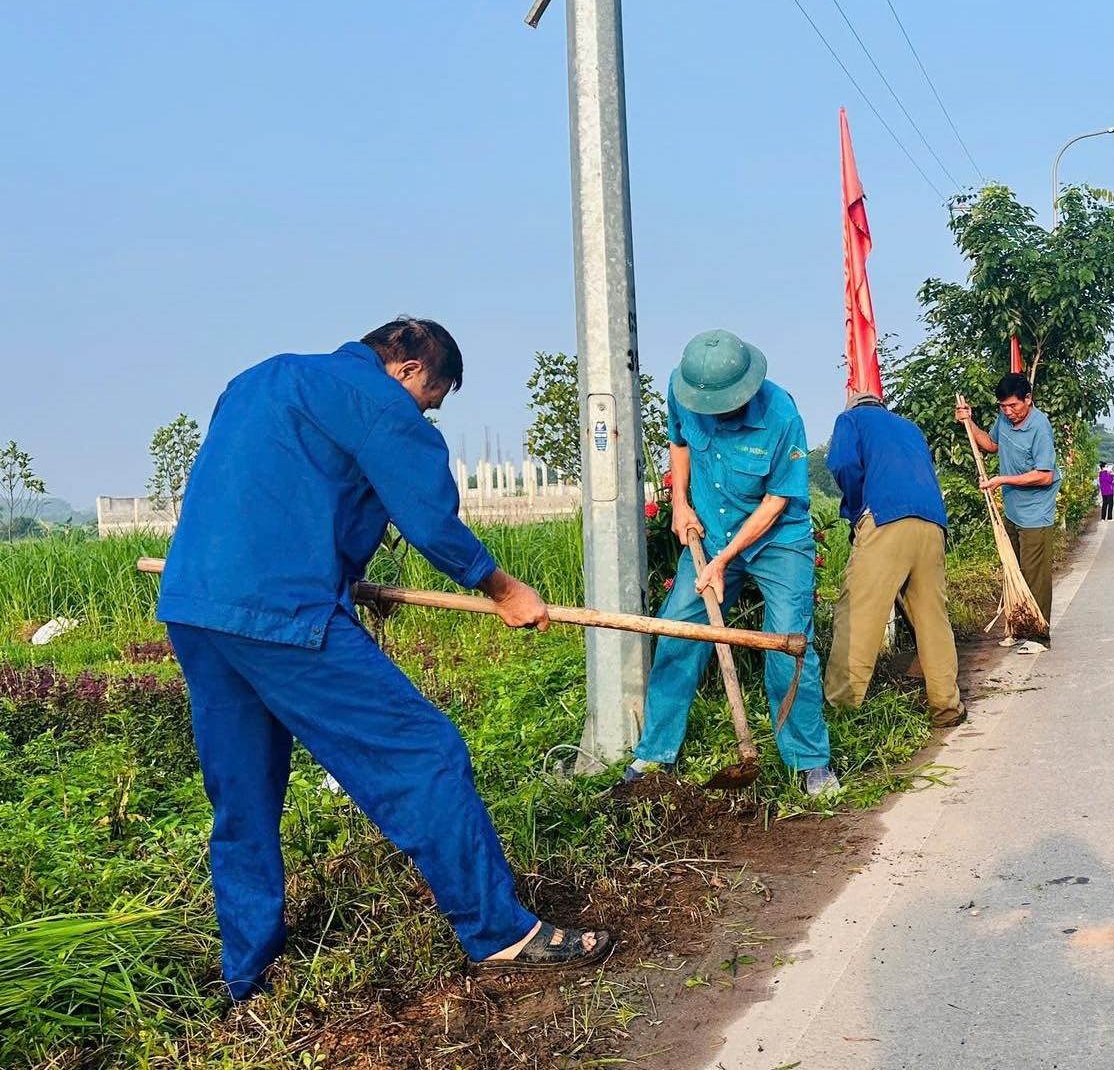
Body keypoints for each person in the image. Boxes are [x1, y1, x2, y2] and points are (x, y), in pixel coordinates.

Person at [156, 318, 610, 1002]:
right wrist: (502, 588)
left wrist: (343, 576)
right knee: (423, 752)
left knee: (242, 793)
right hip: (282, 612)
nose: (426, 412)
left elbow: (278, 492)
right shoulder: (380, 402)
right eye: (432, 398)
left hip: (195, 606)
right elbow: (430, 520)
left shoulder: (262, 378)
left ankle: (245, 973)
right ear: (408, 368)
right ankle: (499, 932)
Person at [624, 330, 838, 795]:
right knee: (679, 630)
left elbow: (777, 501)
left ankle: (810, 761)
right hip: (710, 532)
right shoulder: (683, 390)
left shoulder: (780, 415)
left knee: (787, 641)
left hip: (777, 540)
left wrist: (723, 560)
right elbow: (680, 443)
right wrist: (680, 503)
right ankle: (656, 753)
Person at [824, 391, 964, 728]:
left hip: (886, 518)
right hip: (932, 524)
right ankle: (946, 707)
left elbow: (844, 465)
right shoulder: (909, 428)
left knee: (858, 612)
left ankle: (842, 711)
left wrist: (857, 509)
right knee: (931, 617)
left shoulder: (851, 419)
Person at [956, 373, 1060, 654]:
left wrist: (1002, 480)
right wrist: (969, 422)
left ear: (1028, 399)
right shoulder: (1004, 419)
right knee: (1013, 570)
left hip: (1036, 513)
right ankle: (1018, 627)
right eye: (1003, 407)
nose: (1009, 412)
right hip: (1013, 510)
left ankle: (1039, 635)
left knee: (1034, 574)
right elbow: (991, 445)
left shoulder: (1040, 427)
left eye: (1014, 406)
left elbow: (1045, 476)